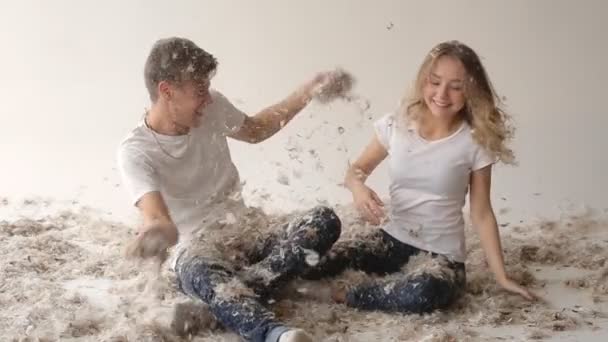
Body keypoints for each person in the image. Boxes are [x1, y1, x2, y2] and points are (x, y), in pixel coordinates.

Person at [117, 37, 346, 342]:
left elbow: (256, 129)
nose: (208, 99)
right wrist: (156, 233)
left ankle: (218, 307)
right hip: (199, 249)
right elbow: (159, 220)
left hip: (244, 230)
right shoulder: (136, 152)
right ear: (166, 91)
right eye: (199, 91)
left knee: (323, 221)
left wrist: (306, 92)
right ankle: (273, 333)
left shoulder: (212, 107)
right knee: (197, 272)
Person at [301, 40, 538, 314]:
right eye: (434, 82)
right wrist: (358, 188)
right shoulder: (398, 123)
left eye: (456, 86)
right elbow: (356, 171)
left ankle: (346, 295)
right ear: (423, 80)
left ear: (471, 90)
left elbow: (481, 212)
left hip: (442, 256)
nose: (442, 94)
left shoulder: (474, 141)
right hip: (390, 240)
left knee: (423, 293)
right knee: (313, 262)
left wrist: (502, 276)